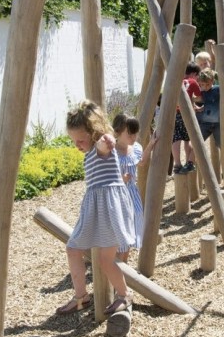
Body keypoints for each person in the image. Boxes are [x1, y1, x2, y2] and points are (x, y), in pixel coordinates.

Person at [57, 101, 137, 316]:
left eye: (80, 140)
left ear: (93, 133)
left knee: (104, 259)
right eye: (73, 141)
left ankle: (124, 295)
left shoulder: (101, 148)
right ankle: (81, 296)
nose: (77, 145)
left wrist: (107, 141)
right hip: (95, 209)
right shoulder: (89, 154)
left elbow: (104, 144)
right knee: (74, 249)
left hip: (109, 209)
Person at [112, 113, 158, 263]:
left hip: (132, 194)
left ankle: (122, 264)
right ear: (118, 132)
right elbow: (105, 178)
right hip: (118, 196)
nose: (133, 137)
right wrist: (120, 179)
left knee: (133, 226)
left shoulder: (136, 148)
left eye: (135, 134)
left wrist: (151, 144)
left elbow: (142, 162)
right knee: (121, 232)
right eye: (129, 134)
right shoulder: (112, 153)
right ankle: (119, 267)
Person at [172, 62, 201, 174]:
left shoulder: (177, 80)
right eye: (197, 75)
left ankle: (177, 164)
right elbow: (199, 97)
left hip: (175, 113)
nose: (197, 78)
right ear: (194, 74)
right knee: (188, 139)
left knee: (176, 139)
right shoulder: (193, 82)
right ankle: (189, 162)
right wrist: (193, 102)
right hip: (186, 113)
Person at [194, 68, 221, 146]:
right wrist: (200, 108)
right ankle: (193, 158)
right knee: (198, 142)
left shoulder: (217, 89)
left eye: (207, 84)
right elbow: (207, 105)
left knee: (221, 144)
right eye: (202, 85)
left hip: (217, 123)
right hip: (205, 123)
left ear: (212, 81)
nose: (205, 87)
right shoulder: (202, 92)